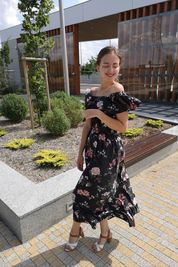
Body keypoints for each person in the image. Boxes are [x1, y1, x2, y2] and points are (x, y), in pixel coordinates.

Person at [64, 46, 140, 253]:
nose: (111, 69)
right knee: (100, 194)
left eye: (115, 65)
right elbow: (87, 126)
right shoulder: (91, 95)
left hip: (109, 154)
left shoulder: (118, 92)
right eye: (106, 65)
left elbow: (122, 127)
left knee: (84, 193)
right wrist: (80, 153)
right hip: (92, 152)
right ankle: (104, 232)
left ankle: (76, 230)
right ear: (97, 67)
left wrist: (99, 113)